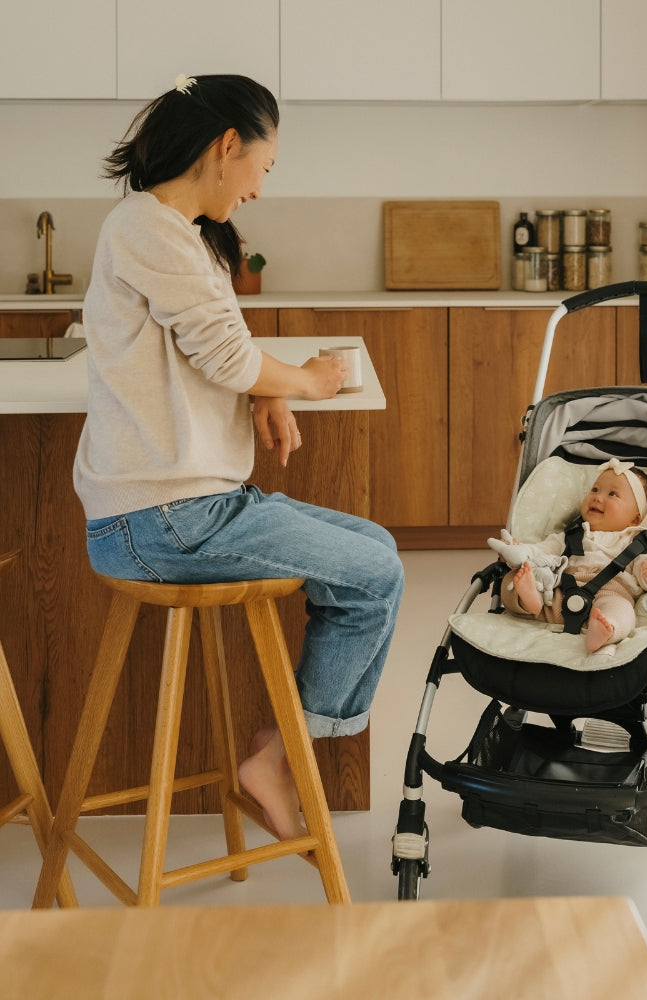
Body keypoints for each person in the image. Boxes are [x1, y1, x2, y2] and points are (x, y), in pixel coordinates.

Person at [74, 74, 405, 841]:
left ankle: (282, 753)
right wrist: (309, 383)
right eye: (266, 166)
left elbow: (214, 351)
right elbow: (223, 356)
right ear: (228, 147)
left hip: (191, 507)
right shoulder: (146, 229)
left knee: (376, 554)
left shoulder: (176, 232)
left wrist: (265, 390)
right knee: (377, 574)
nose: (260, 188)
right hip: (163, 520)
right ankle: (284, 760)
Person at [488, 459, 647, 653]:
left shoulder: (633, 543)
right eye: (595, 490)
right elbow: (541, 550)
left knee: (624, 612)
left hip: (610, 593)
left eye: (612, 494)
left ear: (636, 518)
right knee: (510, 581)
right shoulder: (571, 535)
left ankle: (605, 629)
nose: (597, 497)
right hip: (557, 594)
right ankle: (531, 601)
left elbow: (646, 567)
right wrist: (517, 553)